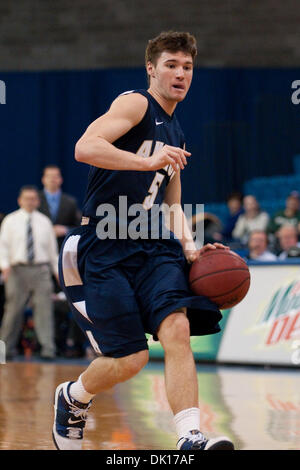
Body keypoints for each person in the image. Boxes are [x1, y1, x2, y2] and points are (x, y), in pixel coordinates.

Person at [52, 31, 234, 451]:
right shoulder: (135, 103)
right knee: (130, 359)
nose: (180, 73)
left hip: (153, 245)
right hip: (103, 242)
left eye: (187, 67)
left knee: (177, 329)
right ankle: (74, 397)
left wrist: (191, 247)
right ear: (151, 69)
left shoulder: (178, 133)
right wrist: (144, 160)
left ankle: (190, 435)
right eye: (171, 64)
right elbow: (86, 146)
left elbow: (172, 203)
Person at [0, 186, 58, 359]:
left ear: (38, 201)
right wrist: (5, 267)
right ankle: (5, 350)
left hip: (40, 270)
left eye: (33, 198)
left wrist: (57, 273)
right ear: (20, 200)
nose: (30, 201)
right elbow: (3, 246)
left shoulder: (45, 222)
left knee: (44, 310)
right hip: (17, 270)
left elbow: (52, 251)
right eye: (27, 198)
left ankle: (48, 350)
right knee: (12, 311)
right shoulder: (10, 220)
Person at [39, 165, 81, 250]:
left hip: (63, 247)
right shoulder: (35, 200)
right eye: (49, 176)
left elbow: (79, 226)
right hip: (40, 248)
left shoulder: (70, 202)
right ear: (43, 179)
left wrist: (66, 230)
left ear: (61, 179)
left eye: (55, 176)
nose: (52, 179)